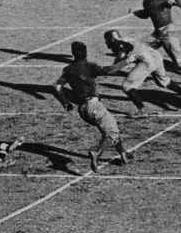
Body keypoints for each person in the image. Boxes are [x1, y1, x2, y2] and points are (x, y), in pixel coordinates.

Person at [53, 41, 129, 173]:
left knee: (110, 128)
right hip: (94, 106)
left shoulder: (68, 70)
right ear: (86, 52)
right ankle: (96, 153)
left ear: (73, 53)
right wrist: (127, 61)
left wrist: (65, 102)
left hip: (82, 109)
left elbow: (57, 86)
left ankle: (123, 154)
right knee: (111, 132)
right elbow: (108, 70)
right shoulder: (89, 66)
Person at [103, 30, 181, 117]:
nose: (106, 43)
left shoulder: (118, 45)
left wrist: (108, 69)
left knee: (127, 86)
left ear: (111, 39)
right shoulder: (127, 39)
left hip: (146, 61)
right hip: (156, 56)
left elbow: (121, 61)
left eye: (106, 40)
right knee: (163, 81)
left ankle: (142, 111)